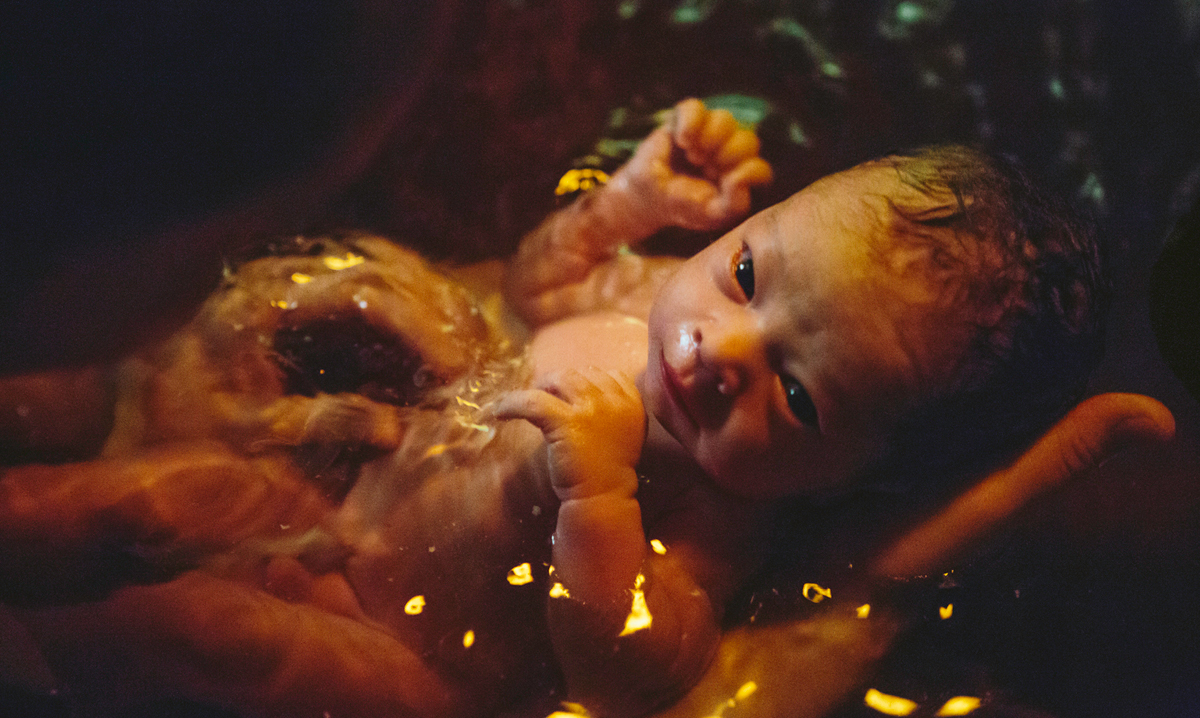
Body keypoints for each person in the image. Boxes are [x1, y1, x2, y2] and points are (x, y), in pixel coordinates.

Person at [0, 100, 1175, 718]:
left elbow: (630, 674)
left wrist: (600, 496)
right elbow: (536, 284)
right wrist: (620, 205)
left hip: (406, 662)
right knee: (188, 474)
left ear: (852, 476)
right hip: (361, 482)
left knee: (218, 632)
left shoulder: (715, 528)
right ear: (747, 227)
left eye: (802, 396)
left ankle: (44, 653)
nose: (721, 352)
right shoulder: (650, 295)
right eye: (750, 275)